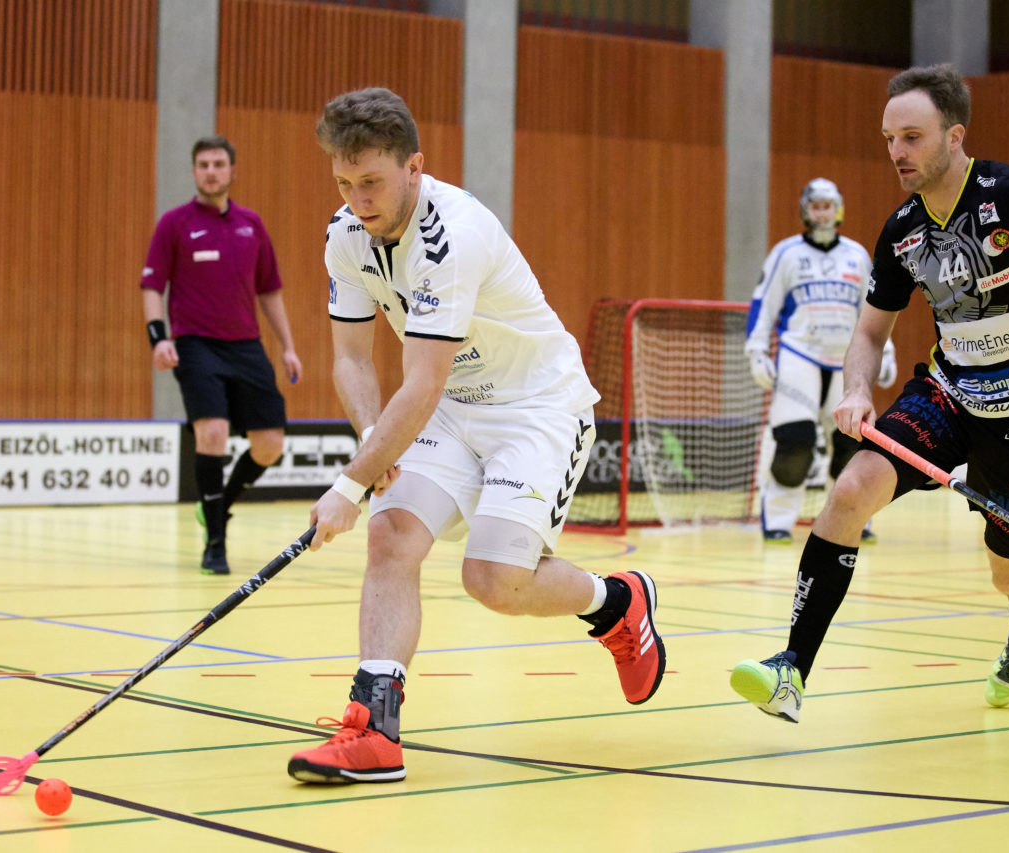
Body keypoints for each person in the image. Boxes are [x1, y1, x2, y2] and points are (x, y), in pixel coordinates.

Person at [730, 64, 1009, 722]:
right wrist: (858, 390)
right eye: (889, 138)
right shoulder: (900, 232)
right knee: (849, 490)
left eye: (912, 137)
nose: (896, 151)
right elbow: (869, 332)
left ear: (955, 137)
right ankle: (792, 671)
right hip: (948, 393)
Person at [286, 88, 665, 784]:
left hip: (536, 406)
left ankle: (617, 603)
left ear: (414, 167)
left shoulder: (452, 234)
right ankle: (374, 729)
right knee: (390, 535)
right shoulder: (345, 236)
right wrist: (374, 438)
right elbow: (351, 357)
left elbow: (422, 378)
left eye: (371, 181)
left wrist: (350, 481)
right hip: (454, 407)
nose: (358, 198)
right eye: (345, 182)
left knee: (492, 580)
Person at [140, 135, 302, 575]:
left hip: (246, 346)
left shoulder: (252, 225)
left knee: (269, 446)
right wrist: (159, 338)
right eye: (203, 164)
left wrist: (287, 346)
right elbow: (153, 286)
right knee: (212, 433)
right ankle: (215, 543)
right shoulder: (174, 224)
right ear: (194, 172)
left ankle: (217, 506)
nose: (211, 171)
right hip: (195, 345)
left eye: (218, 164)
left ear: (232, 171)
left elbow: (269, 290)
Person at [746, 178, 897, 544]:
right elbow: (763, 303)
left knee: (851, 445)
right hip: (800, 356)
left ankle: (853, 517)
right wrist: (756, 349)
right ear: (805, 210)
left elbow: (875, 308)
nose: (822, 212)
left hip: (847, 361)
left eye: (828, 205)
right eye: (815, 206)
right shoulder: (786, 253)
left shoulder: (857, 256)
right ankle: (779, 521)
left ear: (838, 209)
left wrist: (887, 351)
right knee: (794, 442)